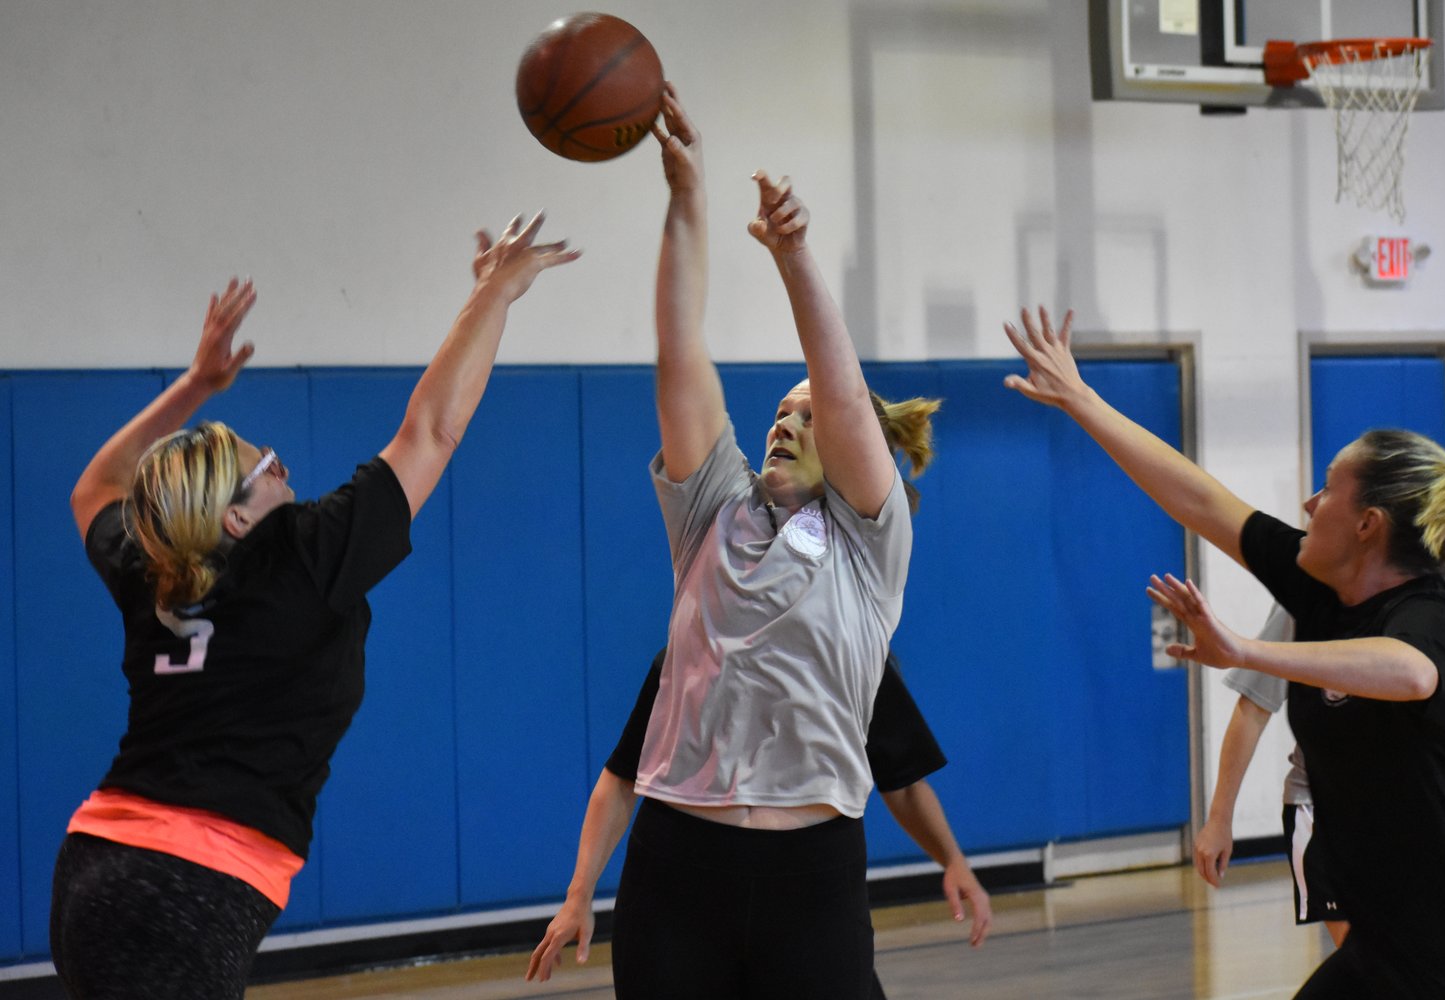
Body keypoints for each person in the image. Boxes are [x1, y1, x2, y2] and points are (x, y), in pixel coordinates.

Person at [49, 217, 579, 1000]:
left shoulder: (154, 565)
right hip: (189, 889)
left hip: (93, 861)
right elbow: (433, 427)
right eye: (263, 464)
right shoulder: (299, 551)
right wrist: (493, 294)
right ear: (235, 516)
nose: (280, 465)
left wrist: (196, 386)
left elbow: (94, 487)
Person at [1002, 305, 1445, 998]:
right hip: (1385, 946)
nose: (1307, 500)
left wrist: (1246, 650)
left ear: (1367, 525)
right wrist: (1082, 401)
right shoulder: (1322, 588)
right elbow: (1201, 500)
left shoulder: (1428, 616)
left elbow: (1411, 672)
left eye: (1327, 487)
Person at [609, 84, 940, 999]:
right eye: (777, 413)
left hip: (811, 873)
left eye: (809, 415)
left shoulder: (871, 545)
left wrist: (795, 255)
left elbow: (841, 389)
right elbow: (680, 352)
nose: (786, 422)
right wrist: (687, 201)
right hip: (678, 863)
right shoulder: (713, 511)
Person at [526, 649, 993, 990]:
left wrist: (953, 860)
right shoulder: (691, 652)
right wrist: (578, 895)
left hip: (813, 886)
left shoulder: (855, 655)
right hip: (678, 886)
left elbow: (905, 783)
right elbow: (621, 778)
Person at [1197, 603, 1445, 949]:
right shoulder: (1300, 598)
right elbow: (1253, 707)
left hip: (1417, 811)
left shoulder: (1430, 598)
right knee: (1376, 961)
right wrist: (1219, 818)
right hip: (1324, 812)